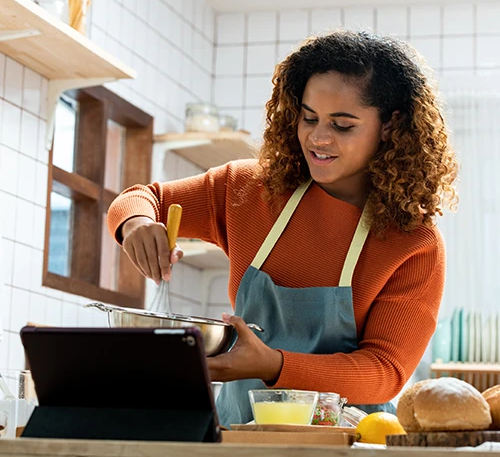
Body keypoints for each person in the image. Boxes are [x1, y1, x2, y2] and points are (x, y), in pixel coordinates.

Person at [107, 29, 458, 427]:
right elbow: (140, 198)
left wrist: (273, 365)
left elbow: (384, 372)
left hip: (347, 446)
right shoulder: (248, 189)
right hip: (239, 437)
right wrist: (136, 224)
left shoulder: (414, 243)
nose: (318, 138)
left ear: (391, 126)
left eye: (342, 125)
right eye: (309, 118)